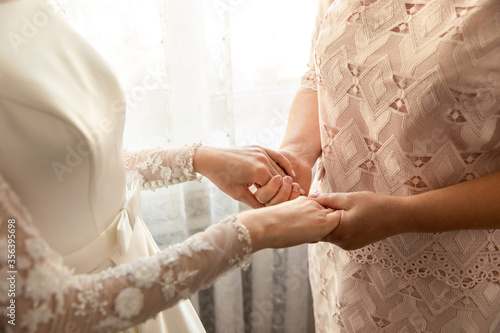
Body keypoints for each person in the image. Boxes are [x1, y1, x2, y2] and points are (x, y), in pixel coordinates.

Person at [0, 0, 341, 332]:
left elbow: (61, 166)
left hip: (138, 261)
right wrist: (252, 232)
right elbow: (38, 315)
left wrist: (198, 159)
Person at [254, 0, 500, 331]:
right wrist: (296, 155)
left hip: (455, 284)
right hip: (342, 266)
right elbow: (319, 74)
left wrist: (403, 215)